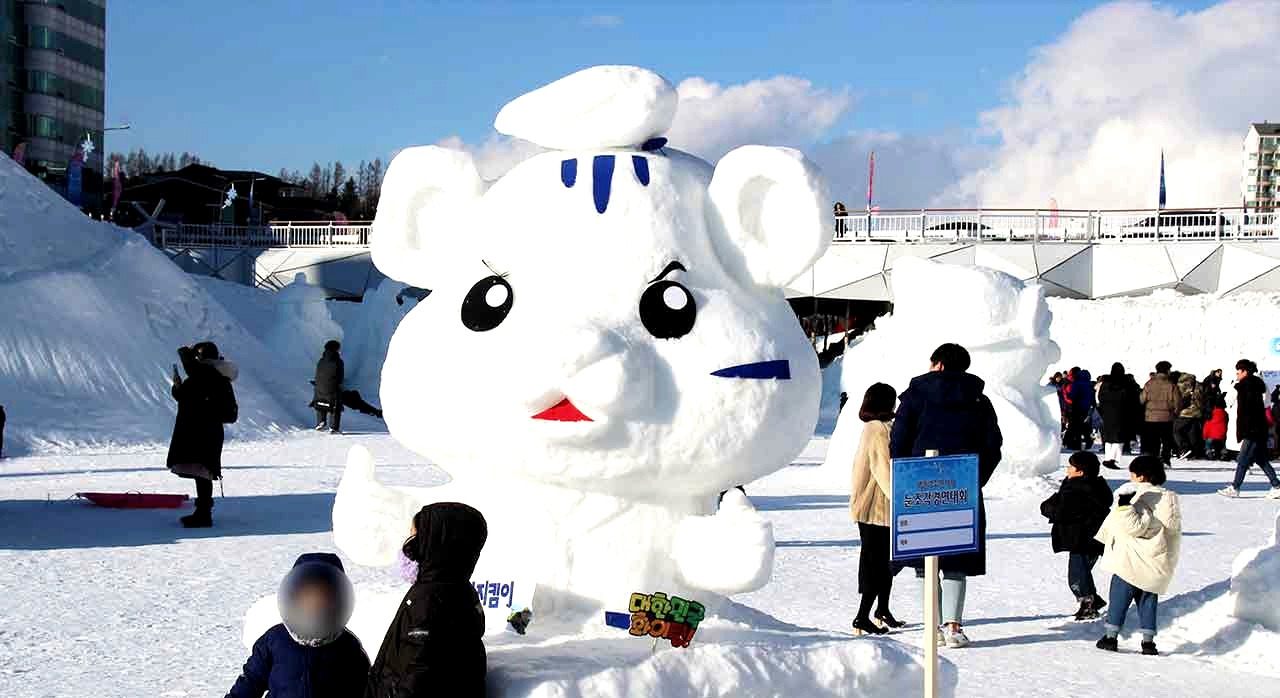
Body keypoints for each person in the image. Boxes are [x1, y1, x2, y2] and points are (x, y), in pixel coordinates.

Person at [891, 343, 1002, 649]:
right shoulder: (979, 400)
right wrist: (974, 479)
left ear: (937, 364)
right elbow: (993, 445)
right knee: (956, 558)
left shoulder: (914, 397)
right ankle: (954, 626)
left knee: (924, 561)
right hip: (962, 486)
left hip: (919, 487)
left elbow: (898, 440)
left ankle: (932, 627)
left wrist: (904, 478)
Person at [366, 503, 489, 698]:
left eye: (414, 535)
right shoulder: (454, 588)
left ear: (434, 545)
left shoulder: (430, 600)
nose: (407, 543)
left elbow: (420, 675)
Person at [227, 553, 369, 698]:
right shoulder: (275, 640)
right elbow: (251, 681)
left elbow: (365, 689)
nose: (314, 604)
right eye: (308, 597)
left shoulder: (347, 646)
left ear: (337, 599)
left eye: (322, 598)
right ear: (294, 595)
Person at [1094, 456, 1182, 656]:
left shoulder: (1142, 496)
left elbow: (1136, 527)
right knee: (1148, 600)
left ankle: (1110, 637)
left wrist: (1124, 507)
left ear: (1141, 477)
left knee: (1119, 599)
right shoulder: (1169, 499)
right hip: (1155, 562)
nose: (1130, 477)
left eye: (1132, 474)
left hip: (1131, 561)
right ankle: (1148, 643)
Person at [849, 382, 903, 636]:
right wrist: (901, 498)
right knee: (876, 562)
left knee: (885, 561)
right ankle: (862, 616)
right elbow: (884, 469)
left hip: (880, 507)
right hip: (875, 507)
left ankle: (882, 610)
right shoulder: (877, 429)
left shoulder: (877, 428)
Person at [167, 342, 238, 528]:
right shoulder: (212, 377)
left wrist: (185, 351)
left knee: (203, 472)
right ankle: (202, 512)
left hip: (203, 431)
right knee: (202, 472)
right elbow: (187, 398)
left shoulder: (206, 374)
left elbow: (191, 391)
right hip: (205, 431)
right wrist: (179, 389)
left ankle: (204, 514)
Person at [1040, 451, 1113, 621]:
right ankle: (1091, 600)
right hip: (1092, 539)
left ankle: (1089, 603)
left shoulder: (1077, 489)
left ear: (1080, 472)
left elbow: (1061, 510)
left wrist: (1047, 506)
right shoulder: (1093, 485)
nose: (1067, 468)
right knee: (1082, 571)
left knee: (1077, 574)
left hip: (1081, 539)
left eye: (1071, 466)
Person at [1219, 359, 1280, 498]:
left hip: (1252, 428)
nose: (1236, 375)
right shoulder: (1258, 385)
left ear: (1245, 372)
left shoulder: (1246, 387)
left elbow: (1244, 409)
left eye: (1238, 372)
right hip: (1257, 427)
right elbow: (1265, 404)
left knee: (1243, 458)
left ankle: (1235, 487)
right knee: (1260, 459)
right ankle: (1277, 485)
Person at [1139, 362, 1179, 466]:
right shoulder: (1171, 385)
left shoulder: (1149, 384)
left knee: (1153, 440)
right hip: (1167, 417)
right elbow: (1177, 402)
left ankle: (1153, 459)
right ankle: (1165, 459)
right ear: (1167, 370)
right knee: (1166, 440)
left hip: (1150, 418)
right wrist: (1175, 413)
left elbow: (1142, 399)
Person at [1096, 363, 1131, 469]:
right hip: (1121, 413)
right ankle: (1113, 459)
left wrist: (1102, 410)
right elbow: (1129, 399)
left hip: (1107, 413)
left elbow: (1100, 397)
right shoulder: (1125, 383)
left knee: (1108, 437)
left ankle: (1108, 458)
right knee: (1119, 438)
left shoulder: (1105, 383)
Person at [313, 340, 344, 434]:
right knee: (336, 406)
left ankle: (320, 422)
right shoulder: (338, 361)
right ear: (336, 349)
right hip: (332, 390)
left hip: (318, 389)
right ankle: (333, 428)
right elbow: (340, 378)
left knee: (321, 403)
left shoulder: (321, 361)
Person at [1172, 372, 1204, 460]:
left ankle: (1184, 449)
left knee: (1175, 430)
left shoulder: (1182, 384)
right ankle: (1193, 453)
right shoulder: (1198, 384)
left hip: (1185, 412)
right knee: (1191, 433)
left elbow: (1179, 398)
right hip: (1197, 412)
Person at [1063, 368, 1095, 451]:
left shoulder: (1076, 383)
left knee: (1075, 427)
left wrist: (1066, 395)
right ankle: (1087, 441)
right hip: (1086, 408)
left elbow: (1072, 396)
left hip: (1077, 407)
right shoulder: (1089, 384)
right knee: (1081, 426)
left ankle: (1076, 445)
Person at [1202, 395, 1229, 461]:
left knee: (1208, 443)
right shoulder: (1225, 414)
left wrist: (1204, 436)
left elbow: (1207, 427)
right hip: (1222, 436)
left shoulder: (1211, 414)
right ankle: (1223, 453)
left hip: (1211, 436)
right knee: (1223, 444)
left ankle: (1209, 452)